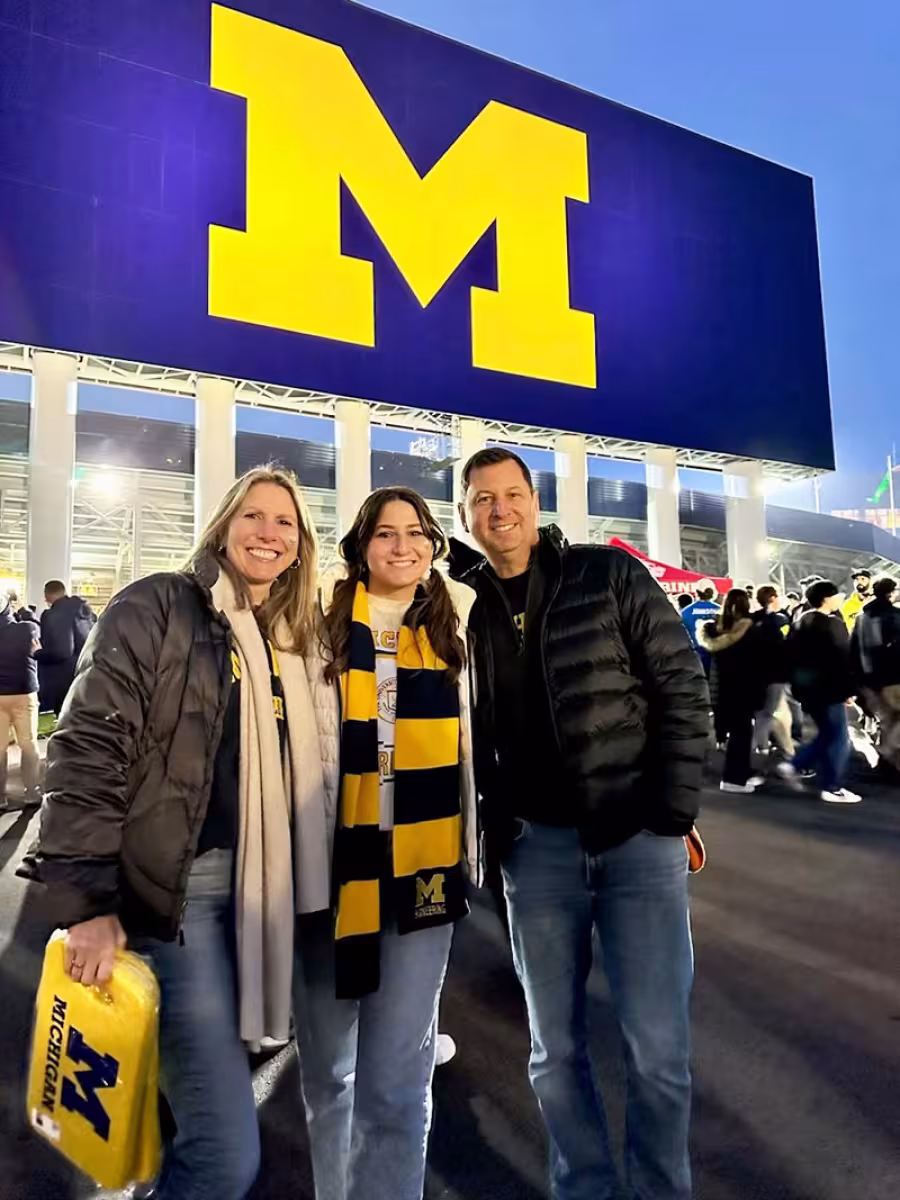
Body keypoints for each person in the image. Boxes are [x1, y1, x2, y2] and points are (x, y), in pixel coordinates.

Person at [20, 466, 339, 1200]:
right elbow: (87, 746)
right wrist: (87, 903)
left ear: (300, 544)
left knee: (168, 1116)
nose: (269, 532)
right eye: (253, 516)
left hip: (261, 899)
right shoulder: (159, 605)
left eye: (285, 522)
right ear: (223, 525)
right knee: (226, 1157)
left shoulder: (287, 642)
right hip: (176, 903)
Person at [449, 448, 709, 1200]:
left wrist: (672, 811)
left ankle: (661, 1190)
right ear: (463, 515)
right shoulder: (458, 600)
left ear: (536, 501)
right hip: (535, 853)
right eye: (482, 500)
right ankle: (585, 1187)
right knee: (553, 1051)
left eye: (511, 495)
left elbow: (681, 685)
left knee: (658, 1050)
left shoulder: (608, 574)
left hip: (637, 842)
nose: (499, 511)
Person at [294, 486, 477, 1200]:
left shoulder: (462, 617)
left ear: (435, 543)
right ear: (361, 546)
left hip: (426, 867)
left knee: (398, 1086)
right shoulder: (318, 621)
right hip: (336, 863)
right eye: (385, 534)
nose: (403, 547)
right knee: (329, 1074)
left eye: (417, 533)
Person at [778, 580, 860, 803]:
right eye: (836, 596)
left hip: (807, 690)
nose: (839, 599)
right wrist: (849, 690)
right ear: (827, 598)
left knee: (827, 734)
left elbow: (789, 657)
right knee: (839, 737)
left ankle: (795, 765)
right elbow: (842, 660)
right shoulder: (833, 625)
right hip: (831, 689)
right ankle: (831, 786)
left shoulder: (800, 622)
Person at [698, 589, 767, 794]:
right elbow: (757, 664)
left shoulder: (714, 629)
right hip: (743, 689)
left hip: (721, 688)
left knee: (734, 733)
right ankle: (734, 779)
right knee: (742, 734)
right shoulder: (750, 631)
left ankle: (739, 773)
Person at [851, 576, 900, 774]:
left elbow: (853, 651)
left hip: (869, 679)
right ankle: (889, 755)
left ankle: (888, 762)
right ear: (891, 593)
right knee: (895, 719)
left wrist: (857, 681)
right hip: (894, 678)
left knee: (886, 720)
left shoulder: (862, 618)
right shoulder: (896, 617)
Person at [0, 595, 42, 810]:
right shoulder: (26, 628)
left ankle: (0, 798)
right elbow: (37, 627)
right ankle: (32, 793)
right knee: (28, 744)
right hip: (24, 693)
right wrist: (24, 608)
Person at [35, 580, 96, 714]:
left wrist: (37, 653)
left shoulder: (54, 615)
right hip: (85, 673)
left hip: (62, 679)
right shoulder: (86, 612)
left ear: (47, 595)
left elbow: (62, 651)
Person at [751, 585, 794, 757]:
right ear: (773, 599)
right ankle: (760, 750)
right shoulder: (779, 621)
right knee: (767, 715)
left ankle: (776, 748)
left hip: (756, 674)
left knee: (767, 714)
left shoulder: (752, 619)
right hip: (775, 675)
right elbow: (786, 645)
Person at [680, 583, 721, 677]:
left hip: (694, 654)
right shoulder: (719, 609)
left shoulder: (686, 611)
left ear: (696, 593)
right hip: (716, 653)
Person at [842, 569, 873, 634]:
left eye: (863, 579)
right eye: (856, 579)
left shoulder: (877, 601)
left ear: (870, 581)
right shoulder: (847, 604)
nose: (859, 582)